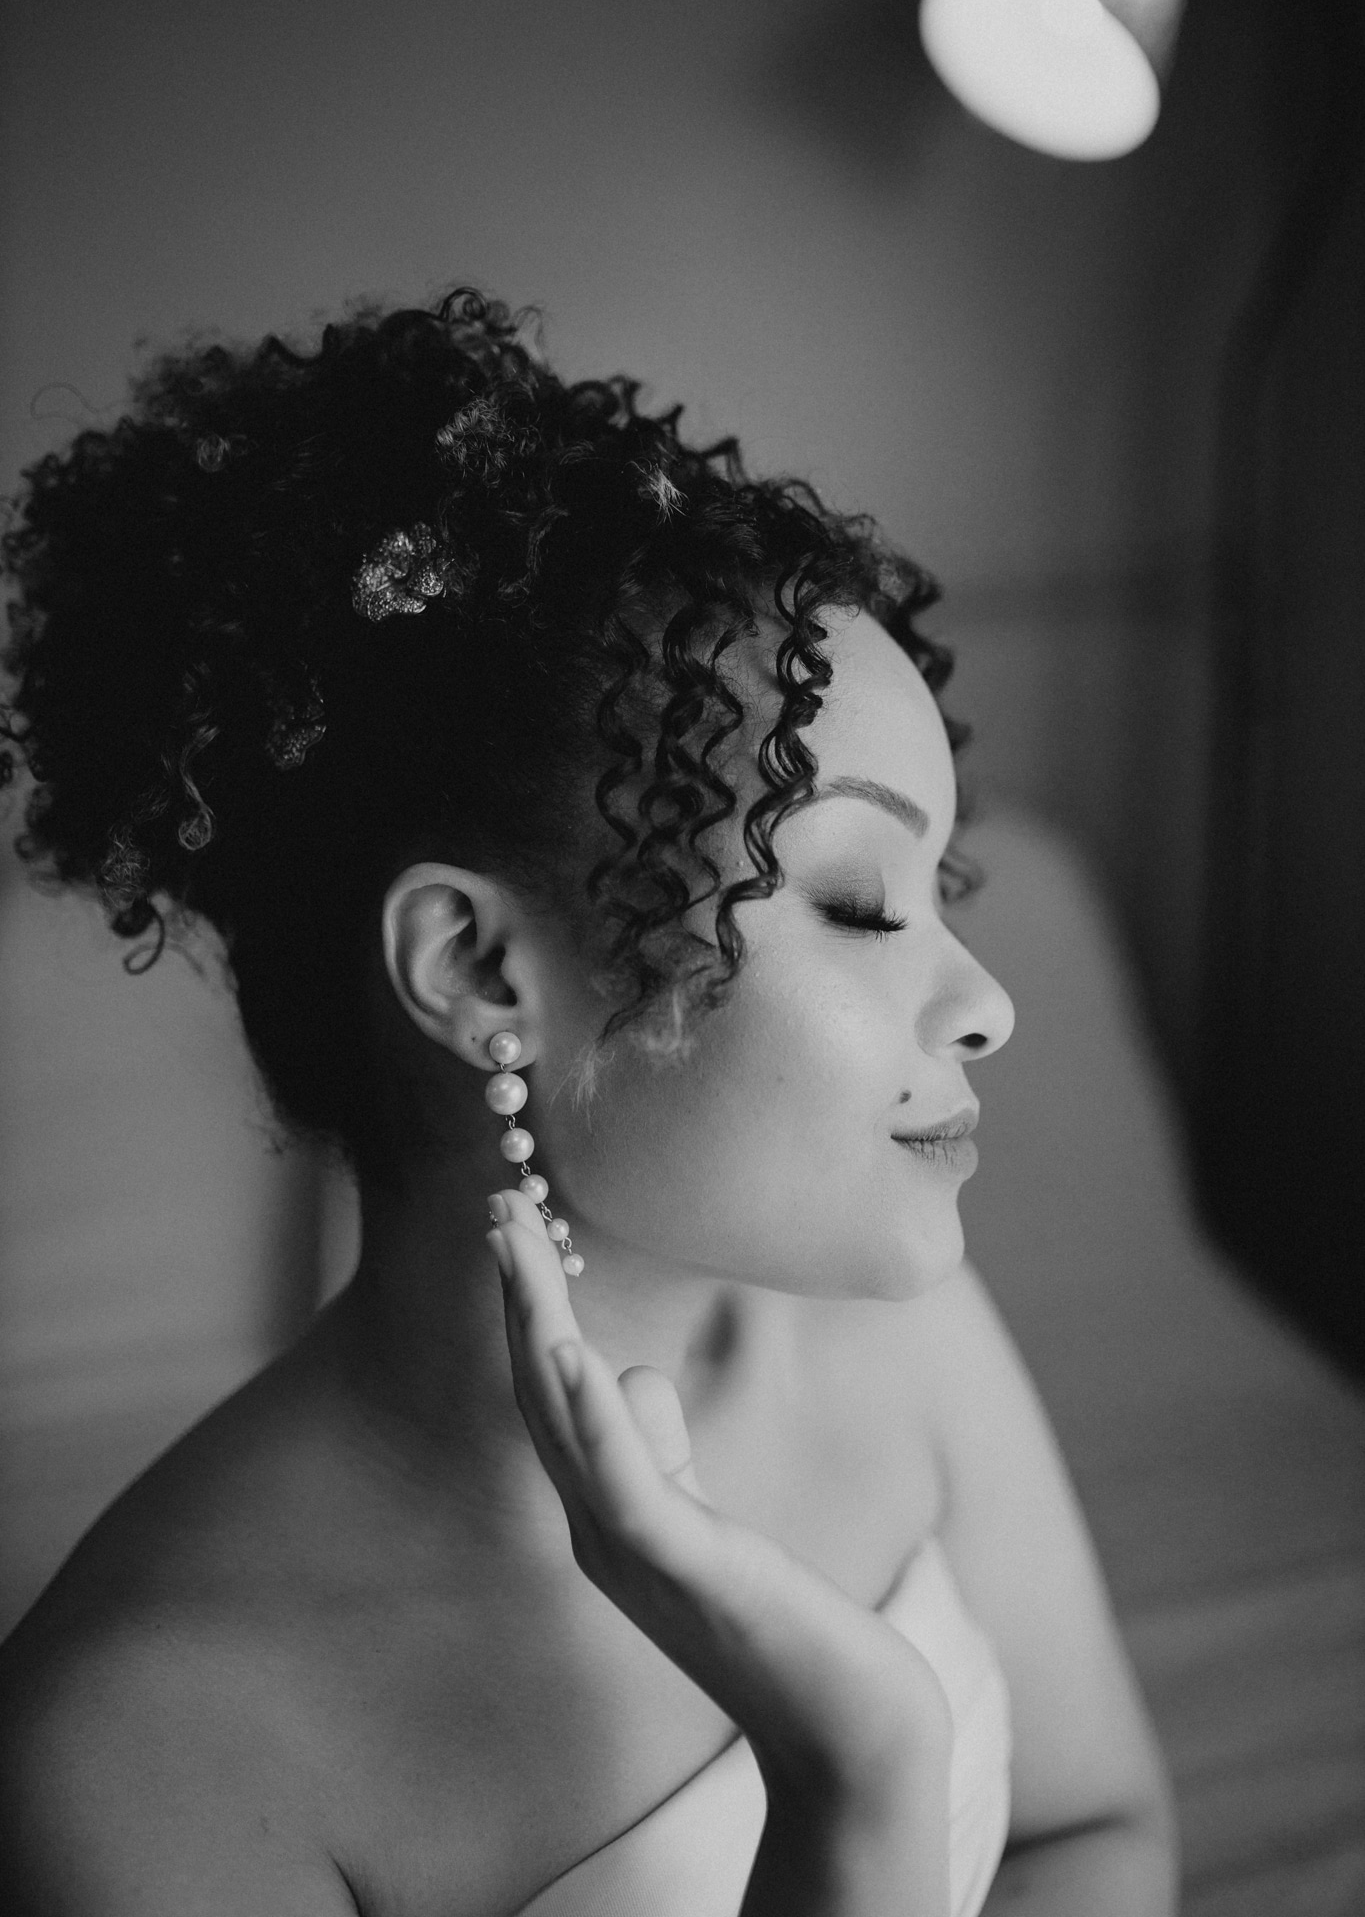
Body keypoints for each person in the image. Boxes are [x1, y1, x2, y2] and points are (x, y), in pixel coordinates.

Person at [0, 287, 1177, 1915]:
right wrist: (859, 1776)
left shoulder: (899, 1341)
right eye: (856, 903)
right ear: (480, 967)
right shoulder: (137, 1742)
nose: (987, 1005)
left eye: (943, 889)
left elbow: (1089, 1830)